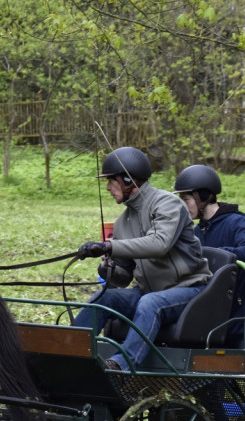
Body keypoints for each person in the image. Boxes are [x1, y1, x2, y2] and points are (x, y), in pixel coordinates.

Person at [73, 147, 211, 370]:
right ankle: (69, 351)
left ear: (128, 180)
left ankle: (121, 365)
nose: (107, 187)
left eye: (111, 181)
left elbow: (159, 244)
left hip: (190, 290)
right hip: (150, 290)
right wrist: (108, 269)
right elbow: (124, 277)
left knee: (150, 303)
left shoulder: (168, 204)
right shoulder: (122, 222)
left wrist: (109, 246)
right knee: (104, 298)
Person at [173, 164, 245, 365]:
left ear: (204, 197)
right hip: (215, 324)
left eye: (187, 199)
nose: (183, 205)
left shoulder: (235, 222)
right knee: (216, 388)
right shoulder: (196, 233)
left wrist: (219, 256)